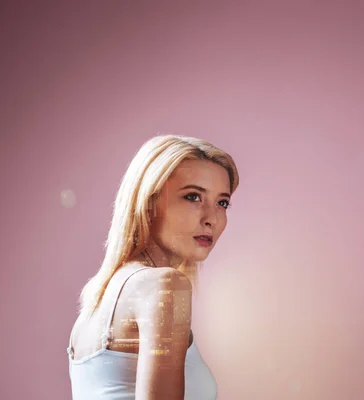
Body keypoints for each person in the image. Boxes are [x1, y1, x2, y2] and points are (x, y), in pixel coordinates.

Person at [66, 134, 239, 399]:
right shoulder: (164, 286)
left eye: (222, 202)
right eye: (193, 197)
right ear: (148, 202)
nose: (211, 218)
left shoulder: (96, 300)